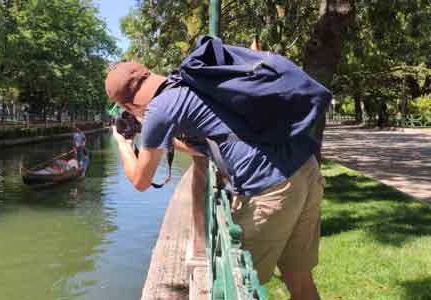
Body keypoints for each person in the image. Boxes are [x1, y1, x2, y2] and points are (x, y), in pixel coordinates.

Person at [104, 41, 329, 299]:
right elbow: (212, 144)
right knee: (298, 278)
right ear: (147, 72)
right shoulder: (189, 82)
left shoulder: (158, 109)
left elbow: (140, 180)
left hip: (270, 187)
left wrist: (122, 143)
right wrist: (156, 134)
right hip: (305, 168)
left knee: (240, 288)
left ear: (127, 106)